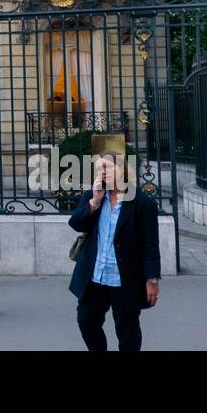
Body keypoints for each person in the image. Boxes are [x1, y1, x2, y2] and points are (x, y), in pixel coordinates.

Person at [67, 149, 161, 351]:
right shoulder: (93, 197)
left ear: (122, 169)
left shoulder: (142, 204)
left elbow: (150, 245)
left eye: (107, 167)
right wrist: (94, 203)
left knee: (127, 330)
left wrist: (152, 279)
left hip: (124, 278)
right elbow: (75, 223)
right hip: (95, 277)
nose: (102, 172)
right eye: (98, 168)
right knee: (86, 321)